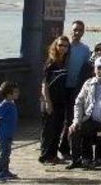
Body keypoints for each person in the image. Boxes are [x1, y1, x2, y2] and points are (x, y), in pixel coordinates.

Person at [60, 20, 91, 158]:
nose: (77, 32)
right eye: (75, 29)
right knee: (59, 119)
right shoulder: (64, 46)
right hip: (62, 87)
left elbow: (88, 69)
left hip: (76, 88)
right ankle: (58, 148)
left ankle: (66, 148)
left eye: (80, 30)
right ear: (70, 30)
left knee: (71, 118)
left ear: (83, 32)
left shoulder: (85, 50)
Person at [39, 36, 70, 165]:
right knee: (48, 130)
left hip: (60, 100)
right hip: (49, 100)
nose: (62, 48)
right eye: (60, 45)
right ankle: (45, 157)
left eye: (65, 46)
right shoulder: (50, 63)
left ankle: (53, 156)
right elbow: (44, 84)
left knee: (57, 129)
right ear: (55, 46)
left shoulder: (65, 62)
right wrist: (48, 102)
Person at [0, 81, 20, 183]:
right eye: (15, 92)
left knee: (7, 153)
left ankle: (5, 171)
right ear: (8, 94)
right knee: (3, 154)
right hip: (3, 135)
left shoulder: (11, 103)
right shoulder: (3, 105)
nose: (18, 93)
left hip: (9, 134)